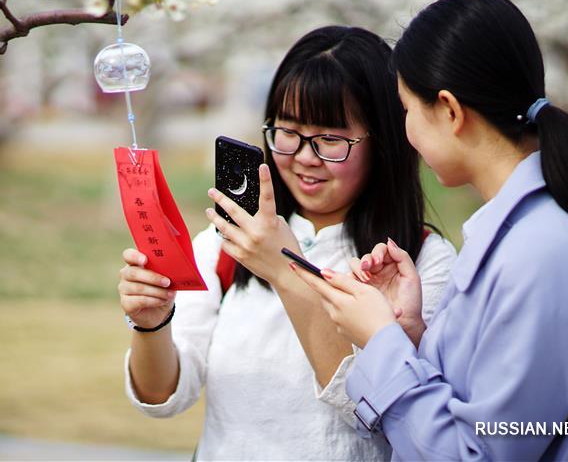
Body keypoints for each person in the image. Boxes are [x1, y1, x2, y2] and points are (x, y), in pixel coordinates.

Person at [295, 0, 568, 460]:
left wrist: (382, 342)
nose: (406, 134)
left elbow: (480, 453)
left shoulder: (538, 251)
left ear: (450, 111)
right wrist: (411, 334)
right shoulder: (518, 235)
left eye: (407, 110)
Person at [117, 26, 457, 460]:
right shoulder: (226, 243)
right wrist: (152, 324)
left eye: (331, 139)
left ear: (384, 140)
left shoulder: (418, 262)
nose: (304, 157)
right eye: (288, 131)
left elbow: (380, 412)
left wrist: (283, 268)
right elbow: (164, 394)